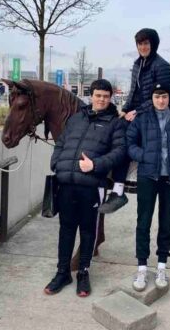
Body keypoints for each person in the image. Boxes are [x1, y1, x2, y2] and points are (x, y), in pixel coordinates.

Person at [45, 79, 126, 297]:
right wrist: (56, 163)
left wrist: (95, 165)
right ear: (91, 96)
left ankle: (83, 273)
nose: (102, 100)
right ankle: (62, 272)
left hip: (92, 186)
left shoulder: (115, 123)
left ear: (110, 98)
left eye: (106, 96)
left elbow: (119, 152)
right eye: (98, 95)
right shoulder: (76, 118)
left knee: (88, 231)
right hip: (66, 183)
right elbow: (61, 143)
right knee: (66, 229)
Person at [99, 28, 170, 214]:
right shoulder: (137, 64)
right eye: (139, 44)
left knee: (125, 138)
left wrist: (137, 112)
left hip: (156, 111)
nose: (142, 47)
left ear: (153, 44)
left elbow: (162, 97)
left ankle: (118, 190)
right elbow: (133, 93)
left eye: (146, 43)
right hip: (138, 111)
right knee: (113, 127)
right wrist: (125, 110)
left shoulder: (162, 66)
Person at [126, 83, 170, 291]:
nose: (161, 100)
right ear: (152, 99)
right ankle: (142, 267)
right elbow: (130, 143)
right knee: (143, 222)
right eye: (157, 97)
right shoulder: (142, 119)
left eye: (164, 96)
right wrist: (143, 156)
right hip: (148, 177)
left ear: (169, 98)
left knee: (166, 223)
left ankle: (162, 266)